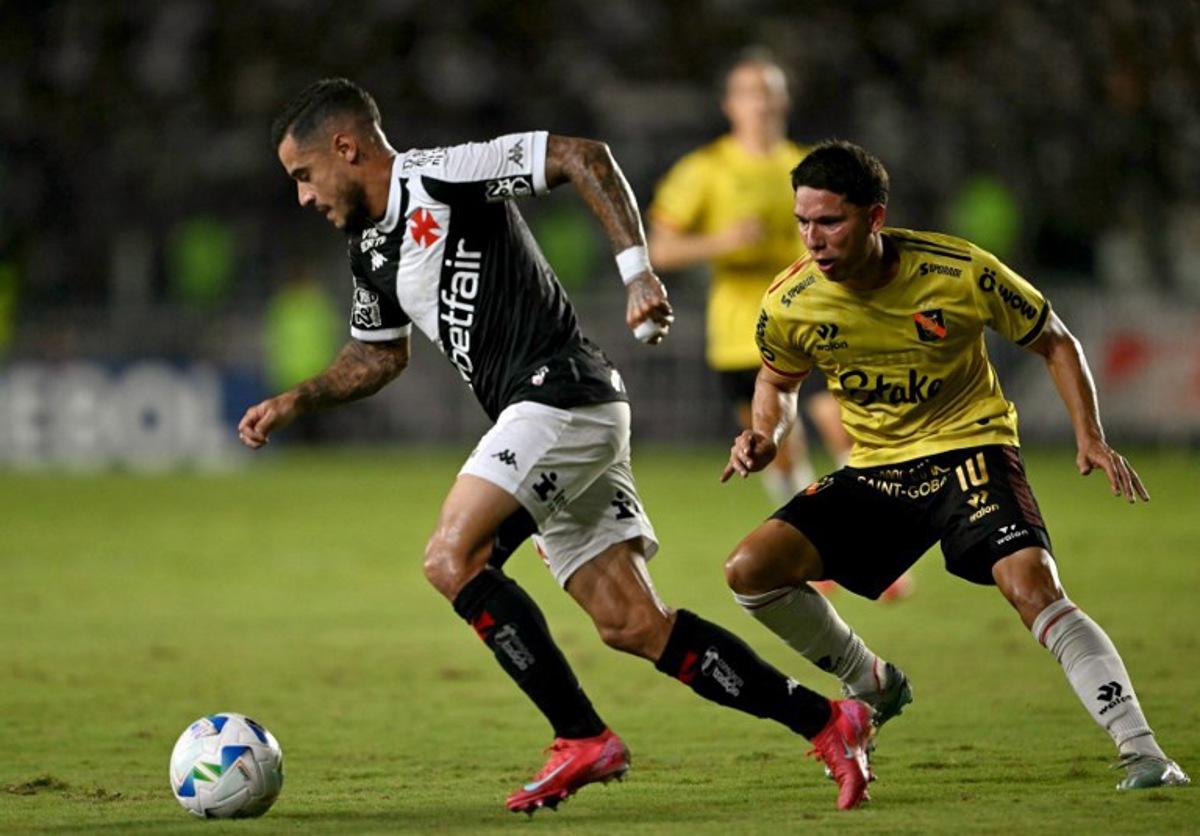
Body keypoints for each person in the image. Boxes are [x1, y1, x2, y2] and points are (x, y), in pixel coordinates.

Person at [239, 78, 876, 814]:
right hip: (555, 415)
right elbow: (378, 355)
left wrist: (638, 274)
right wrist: (299, 397)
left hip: (560, 395)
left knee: (453, 557)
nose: (303, 197)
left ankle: (580, 736)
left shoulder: (446, 174)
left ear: (345, 148)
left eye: (303, 175)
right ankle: (830, 720)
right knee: (634, 626)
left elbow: (583, 156)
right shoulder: (368, 252)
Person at [721, 139, 1190, 792]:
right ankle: (870, 681)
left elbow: (1055, 341)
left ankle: (1143, 751)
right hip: (877, 468)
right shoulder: (791, 300)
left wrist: (1090, 436)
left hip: (969, 449)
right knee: (750, 571)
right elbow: (777, 380)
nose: (814, 240)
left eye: (830, 221)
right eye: (803, 223)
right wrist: (764, 434)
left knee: (1032, 586)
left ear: (875, 217)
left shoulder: (958, 271)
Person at [648, 50, 910, 601]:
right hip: (740, 335)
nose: (760, 103)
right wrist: (722, 242)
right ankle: (818, 553)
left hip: (817, 325)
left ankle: (876, 545)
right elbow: (661, 247)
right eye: (749, 92)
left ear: (783, 101)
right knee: (779, 451)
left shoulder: (812, 168)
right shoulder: (704, 171)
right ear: (730, 105)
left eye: (768, 92)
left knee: (845, 426)